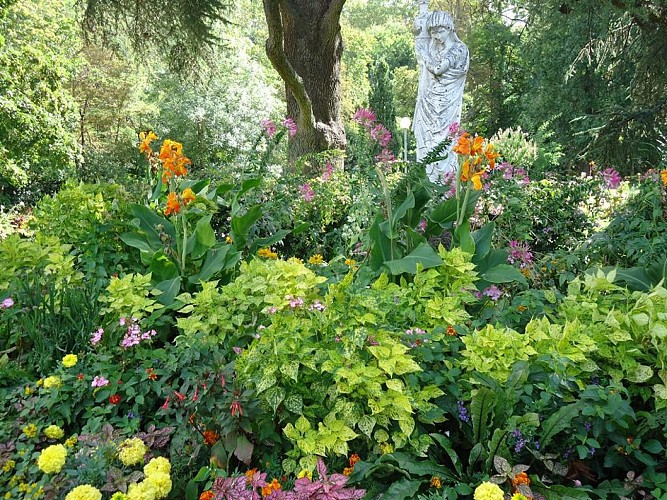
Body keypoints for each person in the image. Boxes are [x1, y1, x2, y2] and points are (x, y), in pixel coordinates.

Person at [413, 11, 469, 181]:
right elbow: (421, 40)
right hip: (429, 102)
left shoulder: (459, 49)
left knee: (444, 144)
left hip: (447, 104)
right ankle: (427, 189)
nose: (436, 36)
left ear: (449, 28)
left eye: (440, 31)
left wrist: (424, 54)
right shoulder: (431, 48)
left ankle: (447, 188)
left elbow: (438, 69)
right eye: (433, 32)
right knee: (426, 141)